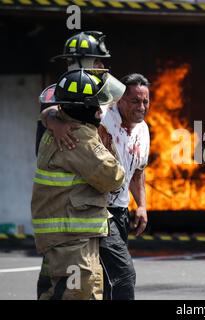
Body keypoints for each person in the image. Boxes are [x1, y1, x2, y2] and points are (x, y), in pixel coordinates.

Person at [41, 73, 150, 300]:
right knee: (122, 275)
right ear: (119, 99)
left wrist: (141, 205)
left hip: (119, 213)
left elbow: (138, 172)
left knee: (98, 280)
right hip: (98, 211)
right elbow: (50, 111)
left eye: (145, 101)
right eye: (135, 101)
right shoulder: (99, 115)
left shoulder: (143, 130)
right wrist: (55, 124)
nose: (141, 107)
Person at [36, 31, 111, 155]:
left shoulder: (103, 90)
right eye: (96, 60)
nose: (101, 65)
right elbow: (50, 111)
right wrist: (55, 123)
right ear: (76, 62)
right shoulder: (60, 92)